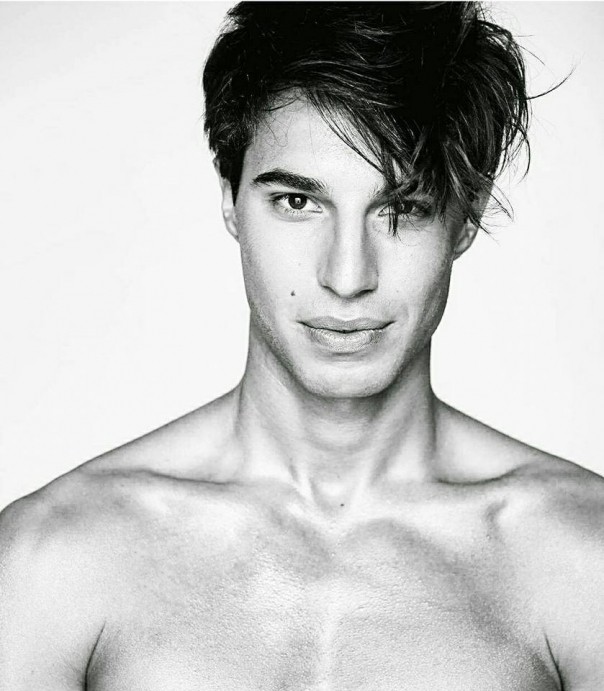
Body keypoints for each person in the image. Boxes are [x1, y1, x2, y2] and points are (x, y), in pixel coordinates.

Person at [1, 2, 603, 688]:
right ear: (231, 199)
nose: (347, 276)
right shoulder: (55, 563)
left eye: (402, 209)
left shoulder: (580, 564)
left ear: (465, 217)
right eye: (297, 202)